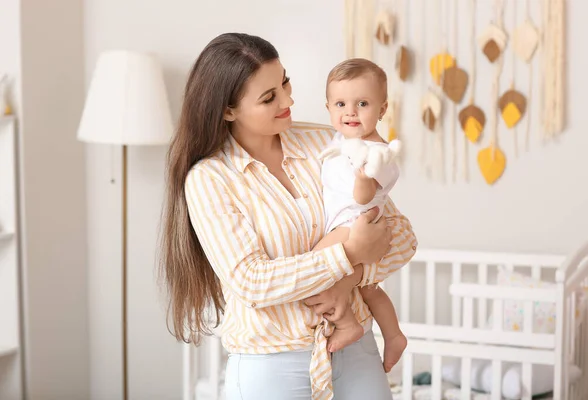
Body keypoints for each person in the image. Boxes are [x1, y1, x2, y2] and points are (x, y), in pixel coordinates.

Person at [160, 33, 418, 400]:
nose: (289, 100)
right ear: (228, 110)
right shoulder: (210, 180)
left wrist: (349, 279)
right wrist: (345, 256)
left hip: (357, 351)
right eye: (269, 97)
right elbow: (253, 282)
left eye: (285, 82)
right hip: (272, 365)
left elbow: (402, 237)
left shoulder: (327, 144)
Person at [312, 58, 407, 374]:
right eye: (341, 103)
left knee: (313, 272)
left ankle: (348, 324)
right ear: (328, 108)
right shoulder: (341, 139)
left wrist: (364, 177)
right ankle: (393, 336)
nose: (350, 112)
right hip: (344, 222)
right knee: (368, 289)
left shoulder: (380, 154)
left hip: (356, 225)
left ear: (382, 109)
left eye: (362, 103)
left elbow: (362, 197)